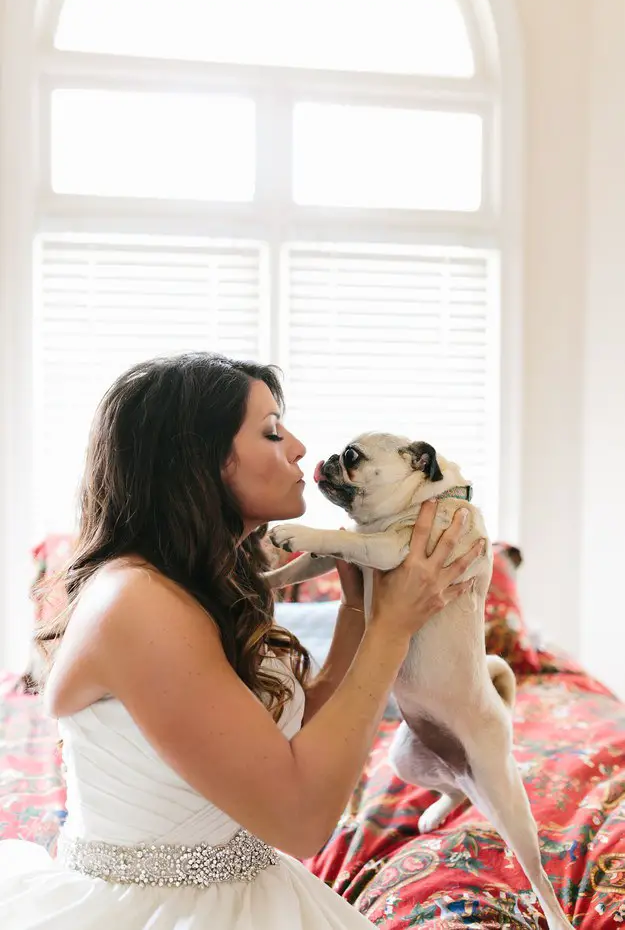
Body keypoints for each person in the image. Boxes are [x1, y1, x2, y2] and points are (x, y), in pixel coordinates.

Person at [0, 353, 483, 929]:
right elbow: (301, 822)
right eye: (272, 431)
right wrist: (392, 630)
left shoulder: (203, 583)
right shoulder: (139, 604)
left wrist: (360, 608)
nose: (301, 448)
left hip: (247, 886)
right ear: (196, 459)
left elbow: (291, 741)